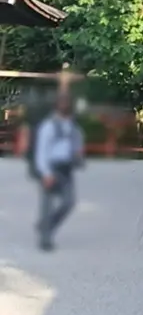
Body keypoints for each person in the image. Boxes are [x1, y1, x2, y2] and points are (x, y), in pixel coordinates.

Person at [33, 93, 84, 251]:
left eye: (67, 103)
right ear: (56, 106)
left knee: (69, 202)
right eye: (62, 103)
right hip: (51, 167)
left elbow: (76, 144)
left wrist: (77, 155)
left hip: (66, 167)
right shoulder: (48, 125)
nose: (65, 106)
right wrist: (46, 173)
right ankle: (45, 239)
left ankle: (45, 224)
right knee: (47, 204)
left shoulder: (73, 125)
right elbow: (41, 151)